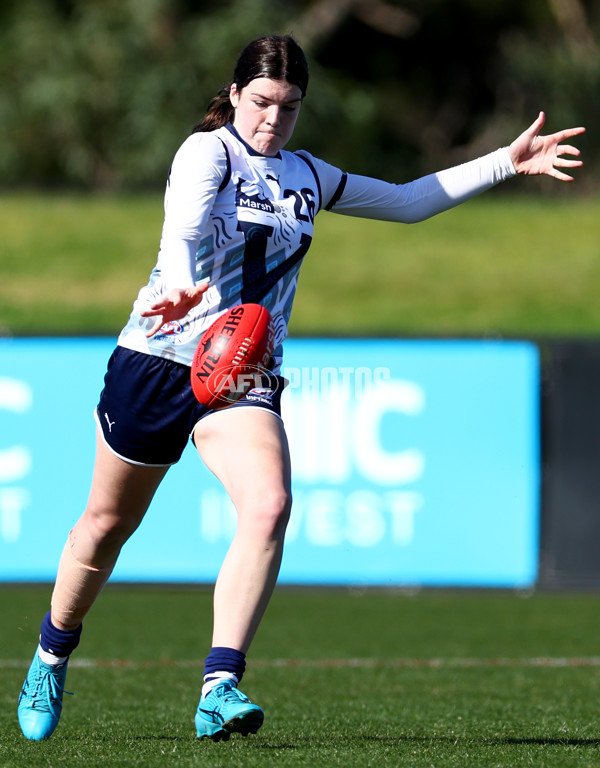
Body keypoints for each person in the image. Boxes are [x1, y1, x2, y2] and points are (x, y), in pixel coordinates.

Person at [17, 34, 584, 743]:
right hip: (160, 359)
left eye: (288, 107)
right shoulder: (208, 152)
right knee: (105, 526)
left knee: (270, 504)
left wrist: (506, 161)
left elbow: (408, 201)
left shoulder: (309, 175)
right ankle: (50, 654)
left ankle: (219, 685)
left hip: (243, 368)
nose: (271, 120)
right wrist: (186, 281)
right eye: (260, 102)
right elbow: (182, 229)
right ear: (232, 95)